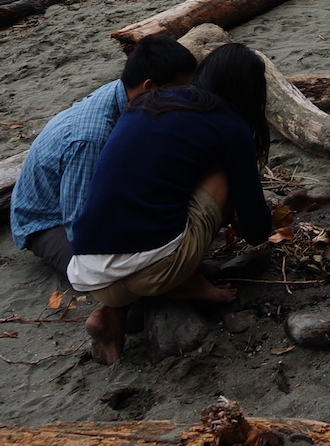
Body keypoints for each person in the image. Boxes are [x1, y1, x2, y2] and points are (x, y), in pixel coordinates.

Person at [69, 43, 273, 364]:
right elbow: (258, 231)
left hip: (88, 272)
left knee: (155, 196)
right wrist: (242, 209)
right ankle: (184, 281)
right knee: (220, 173)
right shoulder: (231, 125)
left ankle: (112, 312)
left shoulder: (147, 104)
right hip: (158, 272)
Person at [9, 35, 196, 283]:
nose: (183, 100)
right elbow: (78, 223)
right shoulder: (91, 138)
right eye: (179, 92)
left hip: (93, 194)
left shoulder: (129, 96)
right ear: (149, 87)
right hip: (49, 222)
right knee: (118, 275)